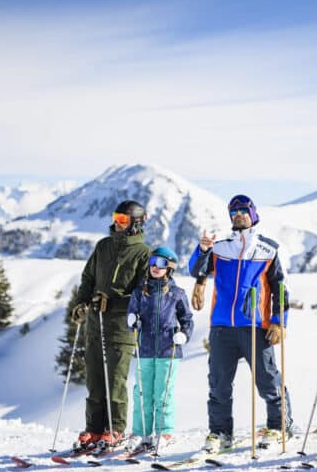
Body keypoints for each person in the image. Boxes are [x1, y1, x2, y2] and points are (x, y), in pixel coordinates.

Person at [188, 194, 293, 452]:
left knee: (267, 380)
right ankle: (221, 433)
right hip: (222, 326)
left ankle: (280, 427)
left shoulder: (269, 249)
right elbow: (196, 270)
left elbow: (280, 288)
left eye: (243, 210)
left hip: (256, 326)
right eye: (233, 210)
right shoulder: (220, 247)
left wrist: (279, 322)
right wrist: (202, 251)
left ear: (253, 213)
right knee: (219, 384)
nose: (238, 214)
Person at [70, 200, 151, 449]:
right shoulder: (103, 246)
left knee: (114, 379)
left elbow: (143, 293)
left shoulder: (143, 253)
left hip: (120, 325)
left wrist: (114, 302)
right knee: (94, 378)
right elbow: (88, 277)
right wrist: (82, 303)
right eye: (116, 217)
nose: (117, 223)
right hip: (95, 321)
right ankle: (94, 429)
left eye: (123, 220)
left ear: (135, 223)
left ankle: (115, 429)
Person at [125, 246, 193, 450]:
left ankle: (164, 432)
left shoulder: (176, 294)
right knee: (142, 393)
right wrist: (132, 320)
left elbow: (187, 319)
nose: (155, 267)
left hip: (168, 350)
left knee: (163, 392)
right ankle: (141, 432)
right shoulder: (140, 292)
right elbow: (132, 313)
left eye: (161, 263)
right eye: (153, 261)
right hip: (144, 348)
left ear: (169, 268)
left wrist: (184, 334)